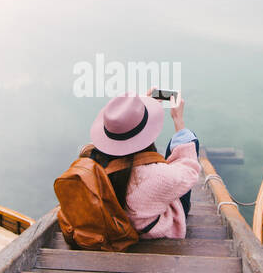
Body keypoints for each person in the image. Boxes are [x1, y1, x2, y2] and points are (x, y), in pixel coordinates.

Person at [86, 91, 201, 239]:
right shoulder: (158, 176)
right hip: (152, 230)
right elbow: (189, 171)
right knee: (187, 140)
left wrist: (138, 110)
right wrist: (178, 120)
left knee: (176, 147)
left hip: (116, 223)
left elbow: (120, 131)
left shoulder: (92, 160)